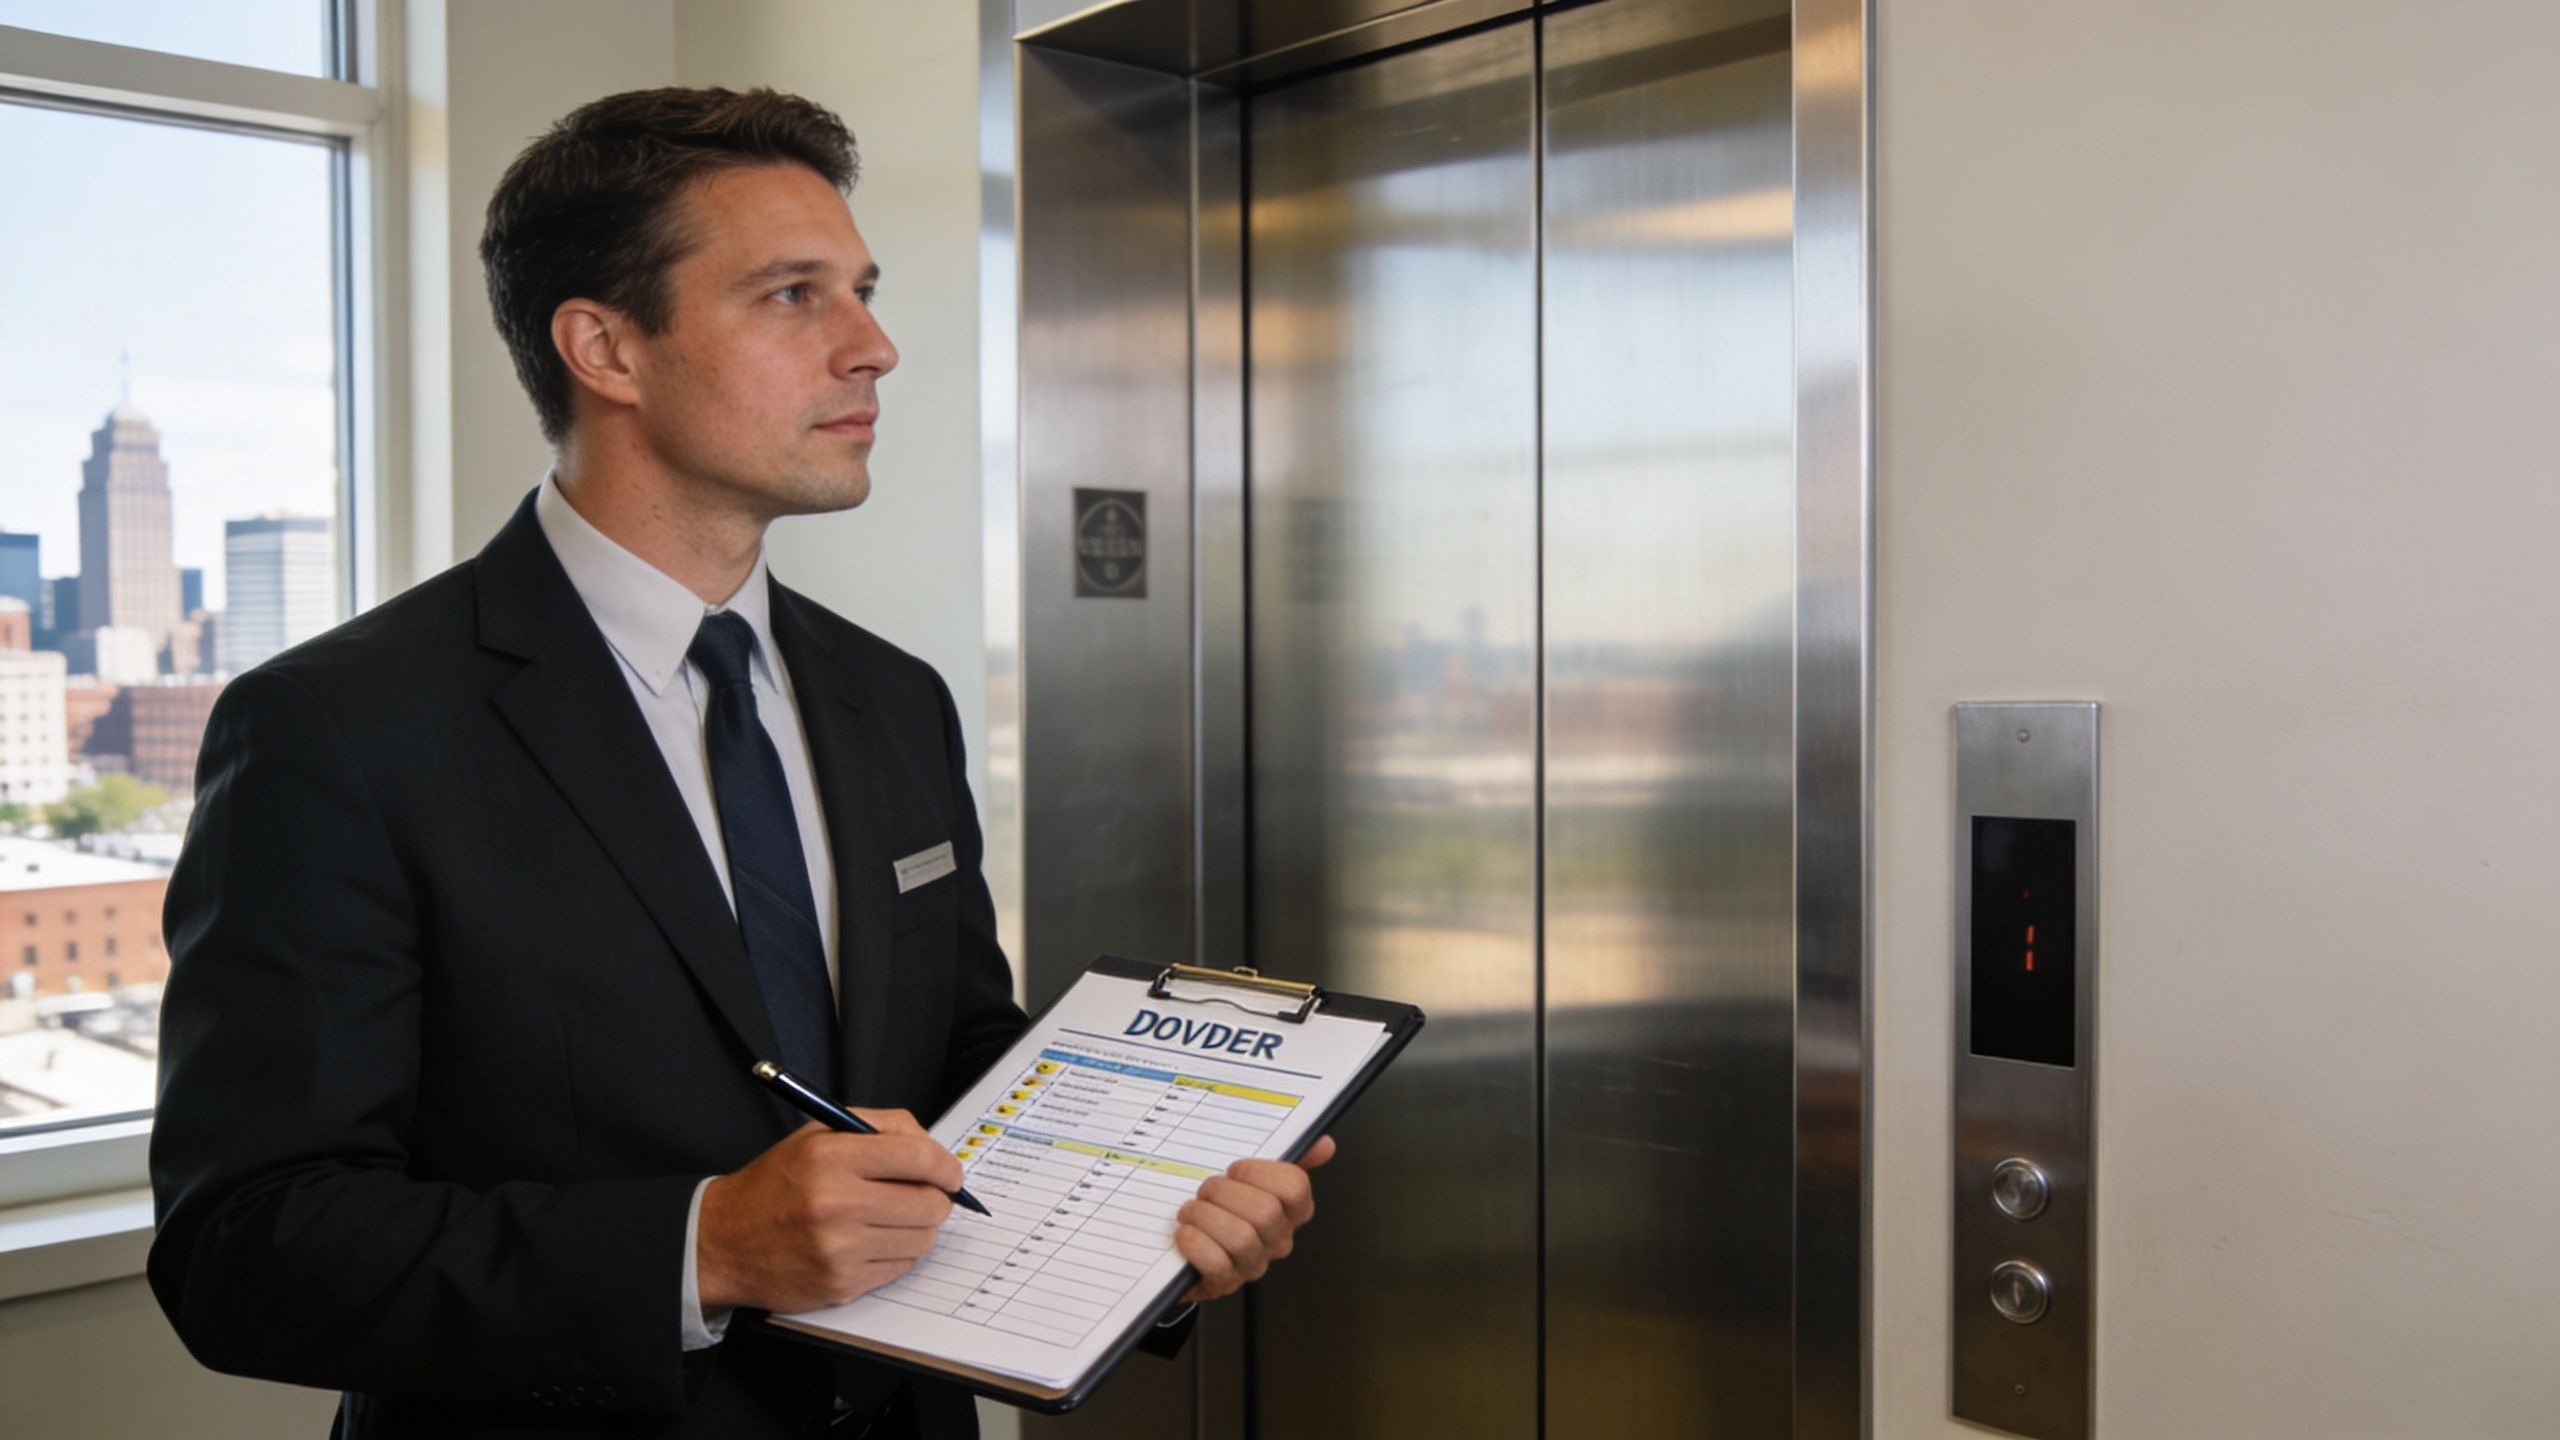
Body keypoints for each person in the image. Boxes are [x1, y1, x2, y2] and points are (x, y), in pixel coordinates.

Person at [147, 86, 1330, 1439]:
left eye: (864, 290)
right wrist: (703, 1248)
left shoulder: (895, 700)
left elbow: (956, 1067)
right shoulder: (339, 729)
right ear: (606, 347)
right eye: (792, 295)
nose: (874, 347)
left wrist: (1146, 1229)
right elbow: (246, 1243)